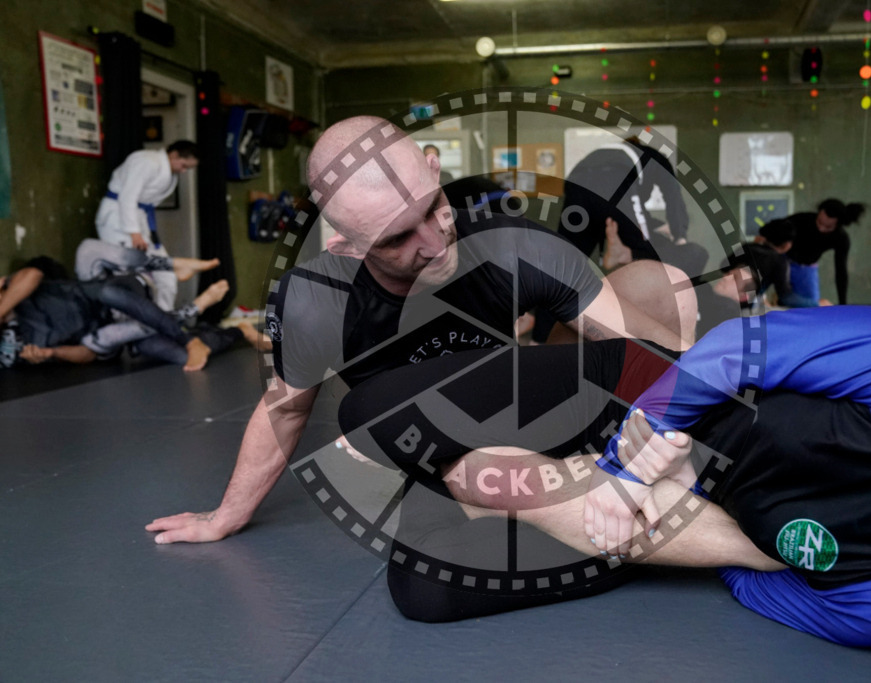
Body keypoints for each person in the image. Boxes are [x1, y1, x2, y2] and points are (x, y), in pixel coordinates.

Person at [145, 115, 697, 549]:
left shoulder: (513, 243)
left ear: (434, 169)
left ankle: (652, 460)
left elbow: (639, 352)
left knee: (659, 282)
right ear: (346, 246)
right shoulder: (316, 301)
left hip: (515, 396)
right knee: (476, 472)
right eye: (396, 240)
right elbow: (286, 411)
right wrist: (226, 515)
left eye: (433, 209)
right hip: (444, 450)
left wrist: (674, 434)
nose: (434, 246)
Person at [338, 306, 871, 647]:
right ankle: (488, 467)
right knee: (370, 410)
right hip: (640, 391)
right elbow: (737, 347)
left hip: (672, 515)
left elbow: (739, 572)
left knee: (426, 584)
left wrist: (678, 511)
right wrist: (622, 474)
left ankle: (470, 477)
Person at [531, 137, 707, 343]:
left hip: (576, 186)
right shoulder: (652, 156)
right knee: (652, 262)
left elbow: (623, 211)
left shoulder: (607, 154)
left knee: (562, 268)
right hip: (616, 179)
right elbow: (672, 195)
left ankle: (538, 340)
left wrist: (655, 226)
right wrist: (679, 236)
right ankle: (624, 257)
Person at [0, 254, 230, 371]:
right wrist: (51, 354)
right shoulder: (18, 350)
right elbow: (87, 354)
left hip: (114, 294)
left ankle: (181, 286)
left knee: (109, 289)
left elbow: (31, 275)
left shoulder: (19, 292)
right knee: (178, 357)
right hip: (108, 334)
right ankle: (238, 331)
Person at [95, 140, 200, 311]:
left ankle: (164, 319)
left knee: (166, 273)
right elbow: (127, 197)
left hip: (140, 219)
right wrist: (133, 232)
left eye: (188, 168)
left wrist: (140, 231)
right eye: (184, 165)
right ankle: (129, 324)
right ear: (174, 155)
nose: (184, 171)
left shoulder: (168, 172)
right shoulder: (146, 162)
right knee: (127, 273)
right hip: (118, 220)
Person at [784, 198, 865, 305]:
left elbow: (841, 271)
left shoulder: (840, 238)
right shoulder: (801, 219)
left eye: (828, 227)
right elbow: (774, 229)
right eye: (819, 222)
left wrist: (843, 303)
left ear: (837, 225)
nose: (821, 228)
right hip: (782, 259)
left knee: (811, 305)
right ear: (819, 214)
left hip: (806, 268)